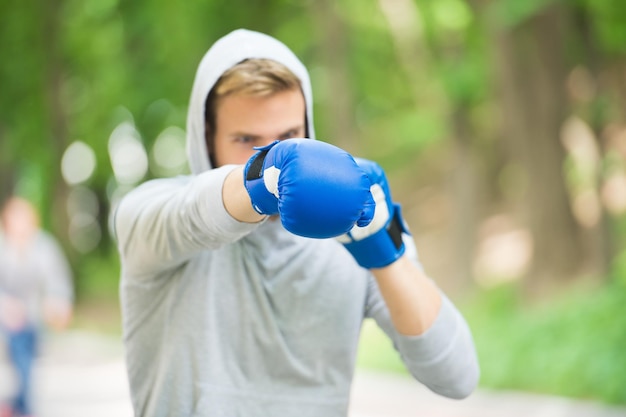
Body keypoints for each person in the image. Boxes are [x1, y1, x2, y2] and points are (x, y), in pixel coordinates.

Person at [114, 29, 480, 417]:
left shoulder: (345, 223)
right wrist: (263, 179)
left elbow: (456, 376)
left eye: (289, 135)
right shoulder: (150, 214)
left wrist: (384, 248)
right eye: (247, 140)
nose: (277, 152)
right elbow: (190, 216)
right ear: (207, 138)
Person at [0, 197, 74, 417]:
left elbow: (57, 282)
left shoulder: (44, 246)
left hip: (32, 316)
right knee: (17, 342)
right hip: (4, 315)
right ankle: (22, 406)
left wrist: (58, 304)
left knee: (26, 345)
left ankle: (17, 404)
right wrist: (6, 306)